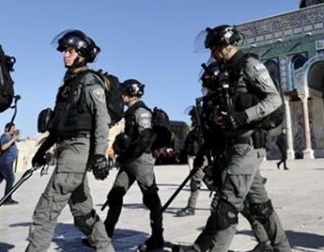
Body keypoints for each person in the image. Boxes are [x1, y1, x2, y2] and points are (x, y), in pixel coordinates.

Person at [176, 25, 291, 252]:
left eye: (215, 48)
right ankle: (281, 248)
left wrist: (242, 116)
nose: (212, 53)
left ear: (227, 45)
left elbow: (274, 100)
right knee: (260, 206)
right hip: (234, 145)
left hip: (248, 144)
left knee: (225, 207)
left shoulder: (249, 65)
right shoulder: (225, 71)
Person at [26, 30, 113, 252]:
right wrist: (43, 150)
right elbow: (60, 123)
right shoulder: (69, 82)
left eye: (70, 51)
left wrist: (100, 154)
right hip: (67, 147)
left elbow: (102, 119)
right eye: (65, 51)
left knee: (46, 210)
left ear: (82, 54)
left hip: (78, 148)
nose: (65, 55)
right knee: (82, 212)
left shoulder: (90, 81)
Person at [102, 78, 165, 251]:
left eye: (123, 91)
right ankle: (105, 234)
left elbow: (146, 137)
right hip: (129, 160)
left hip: (141, 160)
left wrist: (127, 153)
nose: (121, 95)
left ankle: (157, 237)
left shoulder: (141, 112)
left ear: (130, 93)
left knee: (151, 198)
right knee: (115, 195)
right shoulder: (130, 112)